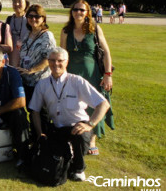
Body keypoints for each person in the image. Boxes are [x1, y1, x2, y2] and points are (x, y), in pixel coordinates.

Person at [29, 47, 110, 181]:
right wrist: (39, 134)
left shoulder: (77, 81)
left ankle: (79, 169)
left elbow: (103, 104)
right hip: (57, 129)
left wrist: (90, 124)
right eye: (53, 60)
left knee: (79, 133)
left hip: (78, 126)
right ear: (48, 62)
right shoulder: (42, 84)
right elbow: (35, 110)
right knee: (52, 154)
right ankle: (69, 154)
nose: (56, 64)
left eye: (60, 61)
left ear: (67, 62)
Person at [60, 0, 114, 155]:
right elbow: (63, 53)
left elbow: (106, 53)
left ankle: (91, 139)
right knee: (72, 103)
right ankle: (73, 135)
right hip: (72, 73)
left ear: (88, 13)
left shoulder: (95, 29)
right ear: (71, 12)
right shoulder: (65, 31)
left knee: (93, 104)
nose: (78, 12)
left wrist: (108, 74)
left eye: (82, 10)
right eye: (75, 9)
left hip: (92, 73)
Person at [16, 4, 56, 108]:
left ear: (43, 19)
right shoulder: (28, 34)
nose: (33, 19)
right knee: (31, 109)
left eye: (37, 16)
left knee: (40, 112)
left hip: (40, 81)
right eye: (30, 16)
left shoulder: (47, 35)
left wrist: (32, 70)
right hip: (26, 80)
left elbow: (49, 58)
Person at [6, 0, 30, 67]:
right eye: (14, 1)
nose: (16, 4)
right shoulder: (9, 19)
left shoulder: (30, 20)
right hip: (11, 56)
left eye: (19, 1)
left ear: (26, 3)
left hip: (26, 57)